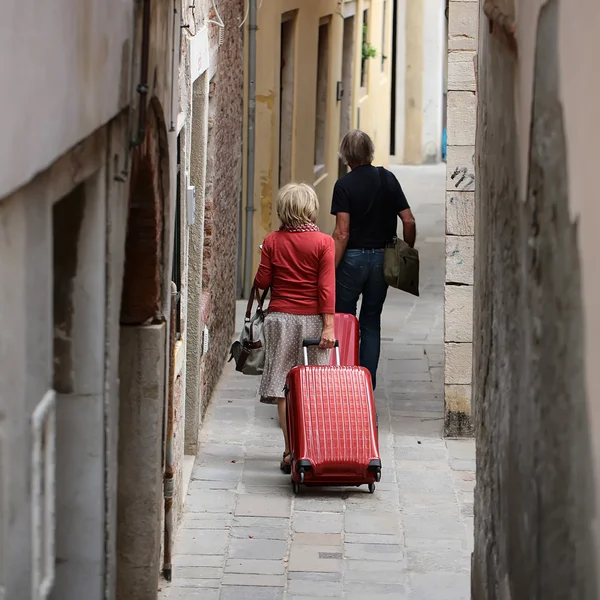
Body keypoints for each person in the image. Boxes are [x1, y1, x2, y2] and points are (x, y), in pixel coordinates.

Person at [255, 182, 336, 472]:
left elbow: (262, 282)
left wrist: (266, 254)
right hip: (313, 321)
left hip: (280, 320)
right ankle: (312, 446)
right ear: (311, 209)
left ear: (284, 209)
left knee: (282, 384)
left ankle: (290, 451)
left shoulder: (273, 240)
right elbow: (326, 288)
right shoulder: (325, 243)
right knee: (316, 384)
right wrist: (329, 326)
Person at [331, 130, 416, 389]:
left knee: (345, 318)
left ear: (346, 156)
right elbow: (409, 220)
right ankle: (365, 385)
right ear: (370, 152)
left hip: (352, 260)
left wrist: (330, 268)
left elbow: (342, 233)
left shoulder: (343, 185)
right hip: (382, 259)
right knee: (371, 321)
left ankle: (343, 379)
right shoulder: (387, 179)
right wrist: (405, 250)